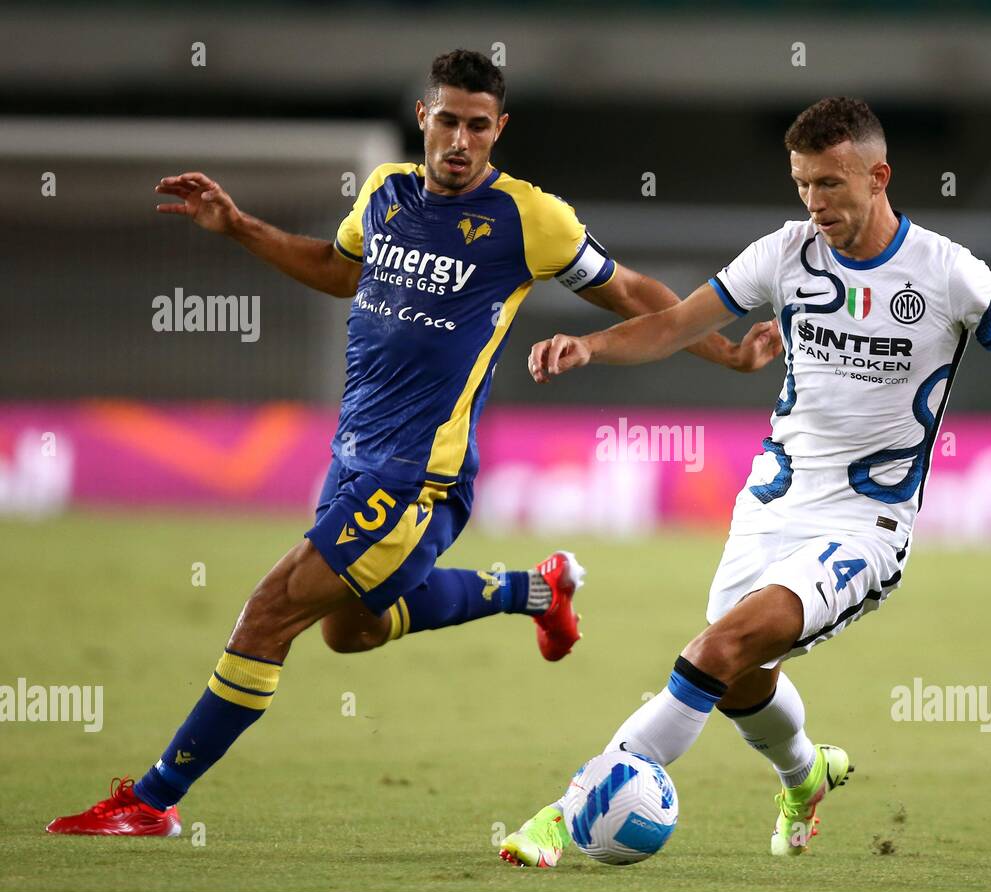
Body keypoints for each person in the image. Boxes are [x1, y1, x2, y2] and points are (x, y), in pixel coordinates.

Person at [46, 49, 780, 837]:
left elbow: (635, 292)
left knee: (267, 616)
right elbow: (337, 271)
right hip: (351, 457)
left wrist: (730, 352)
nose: (459, 140)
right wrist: (239, 227)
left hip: (416, 478)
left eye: (477, 126)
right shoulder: (384, 192)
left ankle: (152, 800)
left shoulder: (531, 218)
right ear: (424, 118)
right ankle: (531, 590)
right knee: (348, 630)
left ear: (498, 130)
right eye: (447, 121)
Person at [499, 96, 991, 866]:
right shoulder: (784, 254)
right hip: (772, 500)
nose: (814, 203)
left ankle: (567, 812)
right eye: (801, 184)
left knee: (716, 650)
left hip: (867, 525)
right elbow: (675, 323)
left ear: (878, 175)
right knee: (735, 679)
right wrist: (589, 348)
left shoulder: (948, 273)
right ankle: (806, 775)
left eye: (829, 184)